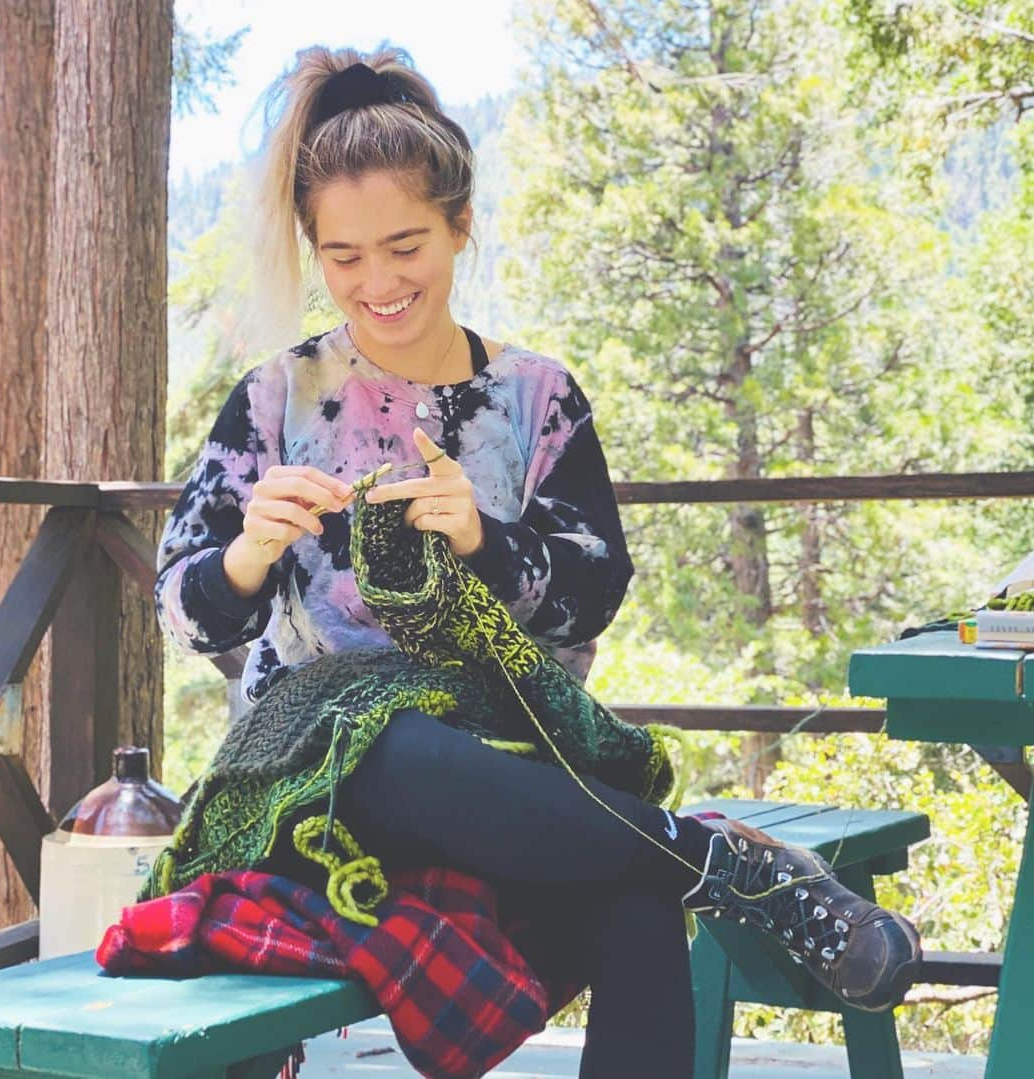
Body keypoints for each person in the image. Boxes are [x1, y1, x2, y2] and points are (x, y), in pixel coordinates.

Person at [155, 43, 922, 1078]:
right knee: (379, 735)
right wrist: (247, 552)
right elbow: (185, 610)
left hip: (513, 773)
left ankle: (684, 865)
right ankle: (722, 861)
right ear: (315, 249)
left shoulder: (536, 397)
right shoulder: (270, 400)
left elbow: (596, 587)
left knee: (635, 899)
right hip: (315, 787)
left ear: (460, 227)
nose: (376, 283)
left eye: (405, 244)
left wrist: (484, 538)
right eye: (343, 256)